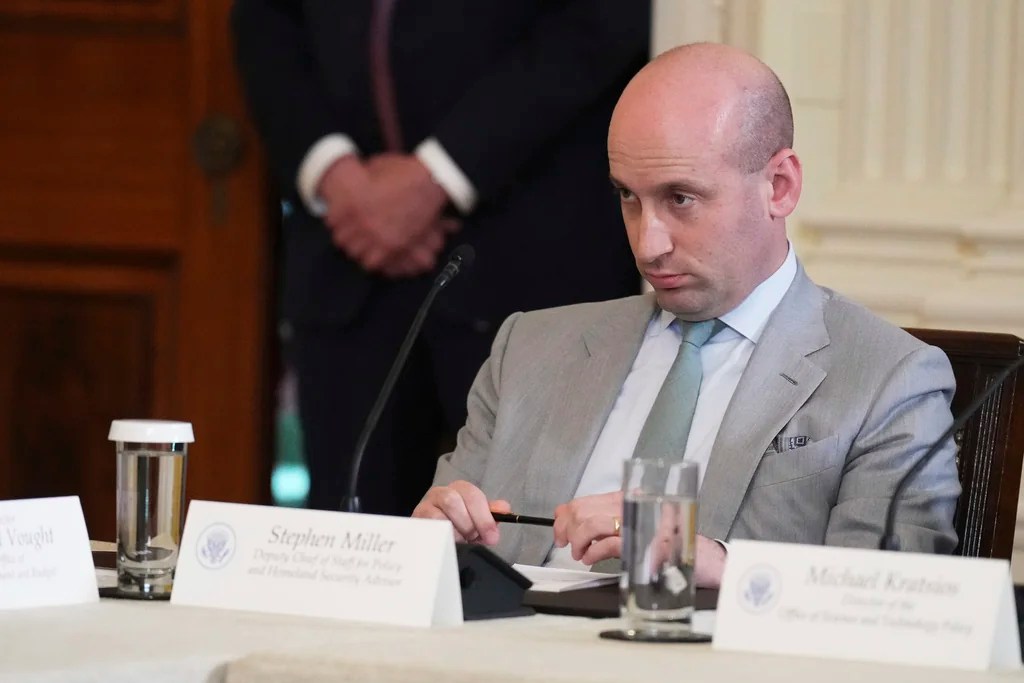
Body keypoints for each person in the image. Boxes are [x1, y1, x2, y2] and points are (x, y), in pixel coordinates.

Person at [412, 43, 961, 587]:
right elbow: (438, 560)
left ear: (780, 186)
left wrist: (723, 566)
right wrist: (432, 548)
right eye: (628, 197)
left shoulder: (888, 379)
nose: (648, 245)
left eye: (681, 199)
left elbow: (890, 597)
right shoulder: (529, 348)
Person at [231, 2, 650, 515]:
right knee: (351, 541)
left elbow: (600, 23)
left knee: (517, 535)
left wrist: (440, 173)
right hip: (345, 261)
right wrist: (335, 176)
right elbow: (265, 21)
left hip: (527, 255)